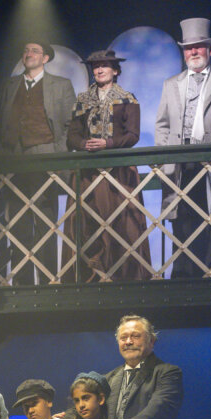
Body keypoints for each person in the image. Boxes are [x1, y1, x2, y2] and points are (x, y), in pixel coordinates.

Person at [155, 18, 211, 278]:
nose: (193, 52)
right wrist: (165, 154)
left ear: (210, 50)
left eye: (198, 47)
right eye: (188, 48)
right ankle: (182, 283)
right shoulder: (170, 84)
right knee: (181, 224)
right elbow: (161, 124)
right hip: (180, 163)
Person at [0, 40, 75, 285]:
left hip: (45, 160)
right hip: (14, 163)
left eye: (34, 51)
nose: (28, 54)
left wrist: (56, 156)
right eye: (25, 50)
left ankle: (49, 281)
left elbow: (70, 125)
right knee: (18, 226)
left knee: (46, 225)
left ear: (45, 58)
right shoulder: (10, 85)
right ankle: (22, 284)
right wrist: (1, 156)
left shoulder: (61, 85)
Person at [67, 50, 152, 282]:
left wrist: (108, 143)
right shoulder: (82, 100)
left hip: (119, 170)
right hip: (88, 171)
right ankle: (89, 275)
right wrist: (84, 144)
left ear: (115, 70)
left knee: (123, 222)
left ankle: (125, 275)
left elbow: (133, 135)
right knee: (87, 221)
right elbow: (71, 136)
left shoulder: (127, 99)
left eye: (104, 66)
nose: (99, 70)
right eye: (95, 66)